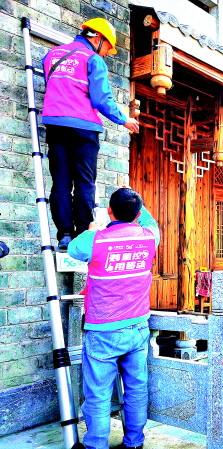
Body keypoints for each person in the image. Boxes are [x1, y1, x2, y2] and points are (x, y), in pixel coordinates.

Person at [68, 187, 160, 449]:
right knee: (137, 389)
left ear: (109, 211)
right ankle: (134, 442)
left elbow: (73, 249)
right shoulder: (149, 237)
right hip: (138, 327)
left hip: (103, 330)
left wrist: (93, 228)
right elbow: (149, 220)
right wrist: (135, 203)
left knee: (98, 394)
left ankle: (96, 444)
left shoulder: (95, 240)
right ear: (138, 213)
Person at [42, 18, 140, 250]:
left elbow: (53, 86)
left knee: (61, 182)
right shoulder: (93, 59)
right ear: (98, 38)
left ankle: (65, 234)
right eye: (107, 48)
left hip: (55, 124)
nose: (106, 53)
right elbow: (101, 99)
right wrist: (124, 119)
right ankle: (83, 234)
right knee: (85, 182)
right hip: (84, 127)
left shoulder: (51, 55)